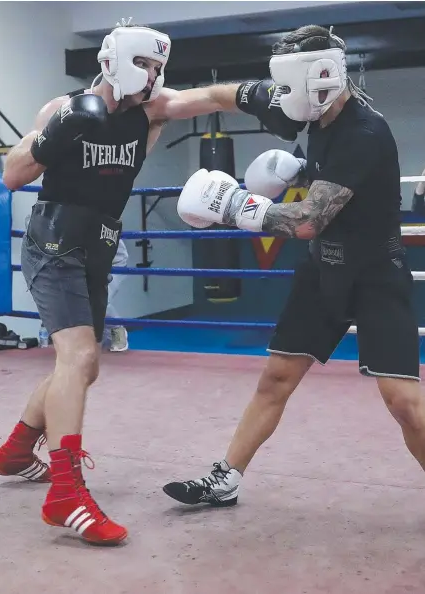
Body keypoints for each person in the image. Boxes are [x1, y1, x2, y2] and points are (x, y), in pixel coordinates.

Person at [0, 17, 304, 546]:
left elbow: (207, 97)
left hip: (98, 245)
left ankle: (18, 449)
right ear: (113, 59)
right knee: (82, 359)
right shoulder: (61, 107)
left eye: (159, 66)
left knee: (82, 367)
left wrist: (263, 94)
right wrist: (56, 132)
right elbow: (13, 174)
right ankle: (66, 492)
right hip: (52, 241)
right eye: (144, 63)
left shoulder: (151, 112)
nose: (153, 76)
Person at [163, 25, 425, 510]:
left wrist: (236, 207)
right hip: (323, 270)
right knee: (275, 379)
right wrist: (298, 168)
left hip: (374, 276)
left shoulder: (365, 131)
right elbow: (230, 97)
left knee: (404, 403)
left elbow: (308, 220)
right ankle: (227, 478)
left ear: (322, 76)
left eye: (289, 85)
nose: (282, 97)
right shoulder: (318, 118)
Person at [103, 238, 129, 352]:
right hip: (88, 266)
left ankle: (117, 329)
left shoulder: (104, 222)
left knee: (100, 297)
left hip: (114, 264)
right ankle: (106, 339)